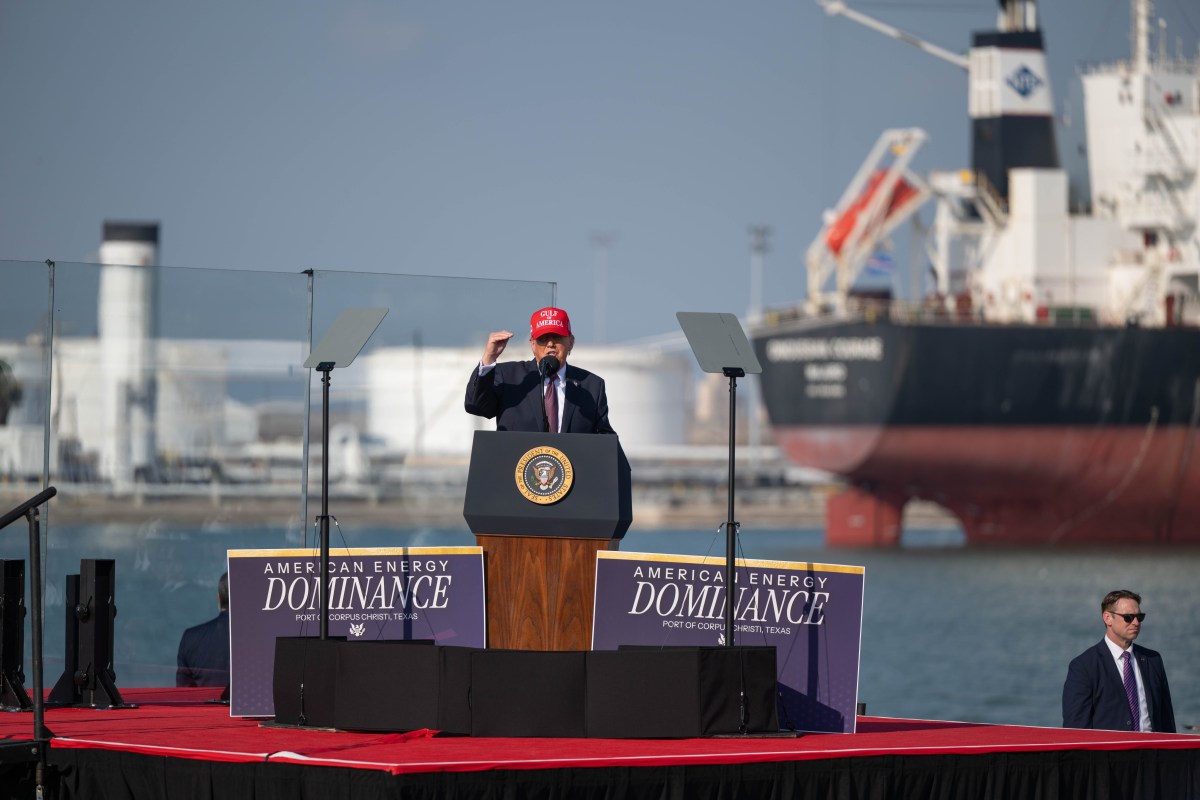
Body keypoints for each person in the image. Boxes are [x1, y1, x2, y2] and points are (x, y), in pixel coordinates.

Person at [465, 306, 616, 434]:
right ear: (532, 344)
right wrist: (489, 358)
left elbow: (604, 439)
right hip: (515, 468)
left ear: (570, 342)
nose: (550, 344)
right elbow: (476, 406)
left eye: (557, 337)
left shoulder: (591, 385)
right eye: (543, 339)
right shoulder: (508, 375)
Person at [1062, 589, 1175, 733]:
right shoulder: (1084, 666)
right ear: (1107, 618)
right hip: (1109, 754)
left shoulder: (1153, 660)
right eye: (1128, 617)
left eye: (1139, 617)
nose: (1136, 622)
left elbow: (1167, 720)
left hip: (1151, 752)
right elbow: (1075, 730)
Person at [176, 572, 230, 688]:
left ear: (218, 598)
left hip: (206, 705)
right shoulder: (265, 638)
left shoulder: (191, 639)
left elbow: (184, 694)